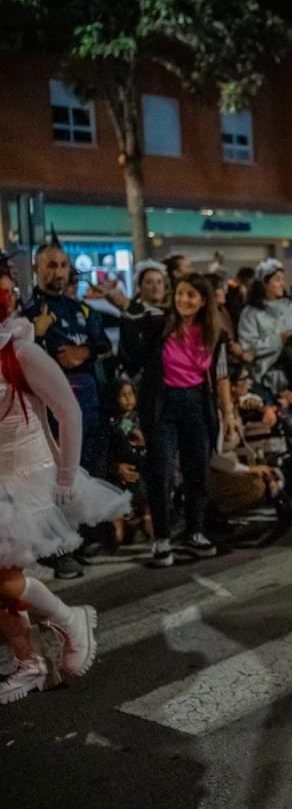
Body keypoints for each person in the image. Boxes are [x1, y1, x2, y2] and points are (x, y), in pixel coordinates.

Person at [0, 283, 129, 702]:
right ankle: (32, 663)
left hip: (27, 475)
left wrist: (67, 476)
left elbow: (67, 411)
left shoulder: (19, 351)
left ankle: (71, 620)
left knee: (5, 578)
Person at [123, 273, 237, 567]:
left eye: (192, 295)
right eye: (181, 294)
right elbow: (134, 341)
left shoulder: (215, 334)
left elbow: (221, 375)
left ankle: (195, 531)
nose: (184, 300)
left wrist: (228, 413)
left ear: (203, 301)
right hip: (163, 407)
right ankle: (161, 538)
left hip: (197, 405)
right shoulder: (159, 326)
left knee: (196, 471)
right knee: (160, 471)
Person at [24, 241, 113, 578]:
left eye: (63, 266)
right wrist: (38, 334)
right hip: (48, 411)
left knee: (85, 471)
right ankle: (57, 550)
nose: (57, 272)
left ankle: (81, 538)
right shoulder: (27, 311)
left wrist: (84, 352)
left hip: (87, 405)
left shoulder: (82, 310)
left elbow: (102, 342)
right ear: (36, 268)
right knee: (53, 478)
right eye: (51, 265)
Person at [238, 259, 292, 383]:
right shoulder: (251, 313)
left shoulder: (289, 307)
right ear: (264, 283)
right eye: (277, 280)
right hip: (265, 374)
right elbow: (247, 347)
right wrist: (278, 339)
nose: (282, 284)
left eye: (283, 279)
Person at [106, 379, 151, 549]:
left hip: (142, 472)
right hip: (120, 475)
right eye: (123, 395)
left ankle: (144, 518)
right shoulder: (111, 423)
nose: (128, 399)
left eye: (131, 394)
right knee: (117, 537)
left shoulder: (142, 418)